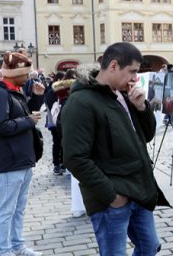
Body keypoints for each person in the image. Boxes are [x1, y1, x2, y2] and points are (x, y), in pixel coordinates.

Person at [62, 42, 167, 255]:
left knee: (149, 247)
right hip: (112, 199)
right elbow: (75, 158)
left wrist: (141, 107)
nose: (135, 78)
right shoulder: (81, 101)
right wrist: (112, 195)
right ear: (113, 65)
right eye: (132, 71)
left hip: (139, 189)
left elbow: (145, 136)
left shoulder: (123, 94)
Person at [0, 51, 45, 256]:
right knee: (7, 210)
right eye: (26, 74)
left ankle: (17, 245)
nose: (29, 77)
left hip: (21, 159)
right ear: (15, 73)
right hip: (9, 161)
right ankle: (4, 250)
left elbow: (23, 114)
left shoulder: (12, 90)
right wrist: (28, 121)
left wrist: (36, 97)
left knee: (18, 209)